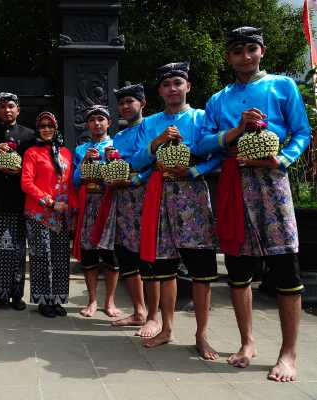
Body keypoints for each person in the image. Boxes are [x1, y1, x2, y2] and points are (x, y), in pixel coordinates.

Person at [196, 27, 311, 381]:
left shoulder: (282, 86)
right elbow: (201, 144)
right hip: (232, 181)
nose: (245, 56)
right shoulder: (218, 100)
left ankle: (288, 352)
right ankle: (247, 342)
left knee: (285, 266)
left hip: (272, 182)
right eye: (237, 51)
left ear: (262, 51)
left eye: (251, 49)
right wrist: (234, 133)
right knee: (238, 265)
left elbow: (302, 132)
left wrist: (282, 159)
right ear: (228, 57)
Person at [131, 62, 221, 359]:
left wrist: (194, 170)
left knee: (202, 270)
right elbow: (136, 162)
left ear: (188, 87)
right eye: (167, 84)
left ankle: (202, 334)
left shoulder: (202, 118)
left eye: (178, 83)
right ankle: (167, 328)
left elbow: (217, 156)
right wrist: (156, 143)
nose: (172, 88)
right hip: (159, 196)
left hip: (193, 197)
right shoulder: (150, 123)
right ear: (159, 90)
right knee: (164, 268)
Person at [93, 84, 155, 336]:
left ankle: (154, 316)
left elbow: (158, 161)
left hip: (146, 196)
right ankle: (139, 311)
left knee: (148, 257)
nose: (126, 106)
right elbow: (113, 166)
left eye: (131, 101)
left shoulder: (153, 128)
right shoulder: (117, 137)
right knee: (126, 256)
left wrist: (137, 179)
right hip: (120, 201)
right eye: (122, 103)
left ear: (143, 103)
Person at [0, 92, 36, 312]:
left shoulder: (30, 136)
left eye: (11, 106)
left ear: (18, 110)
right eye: (2, 107)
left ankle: (16, 294)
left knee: (18, 251)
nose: (7, 110)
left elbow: (34, 167)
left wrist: (18, 169)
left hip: (17, 201)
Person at [21, 112, 73, 317]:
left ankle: (58, 299)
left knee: (60, 258)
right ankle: (43, 301)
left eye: (50, 125)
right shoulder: (32, 152)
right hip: (39, 213)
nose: (46, 129)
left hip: (62, 215)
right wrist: (50, 202)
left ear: (56, 127)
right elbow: (26, 183)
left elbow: (69, 182)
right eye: (42, 126)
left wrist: (68, 206)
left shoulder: (66, 152)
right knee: (41, 257)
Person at [72, 105, 121, 318]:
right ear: (87, 125)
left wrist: (114, 159)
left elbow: (121, 174)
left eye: (101, 119)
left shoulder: (117, 144)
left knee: (111, 254)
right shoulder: (81, 149)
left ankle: (109, 300)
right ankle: (92, 300)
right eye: (92, 120)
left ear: (109, 123)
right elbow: (74, 181)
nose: (97, 123)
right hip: (89, 203)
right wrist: (84, 161)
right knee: (89, 254)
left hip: (111, 202)